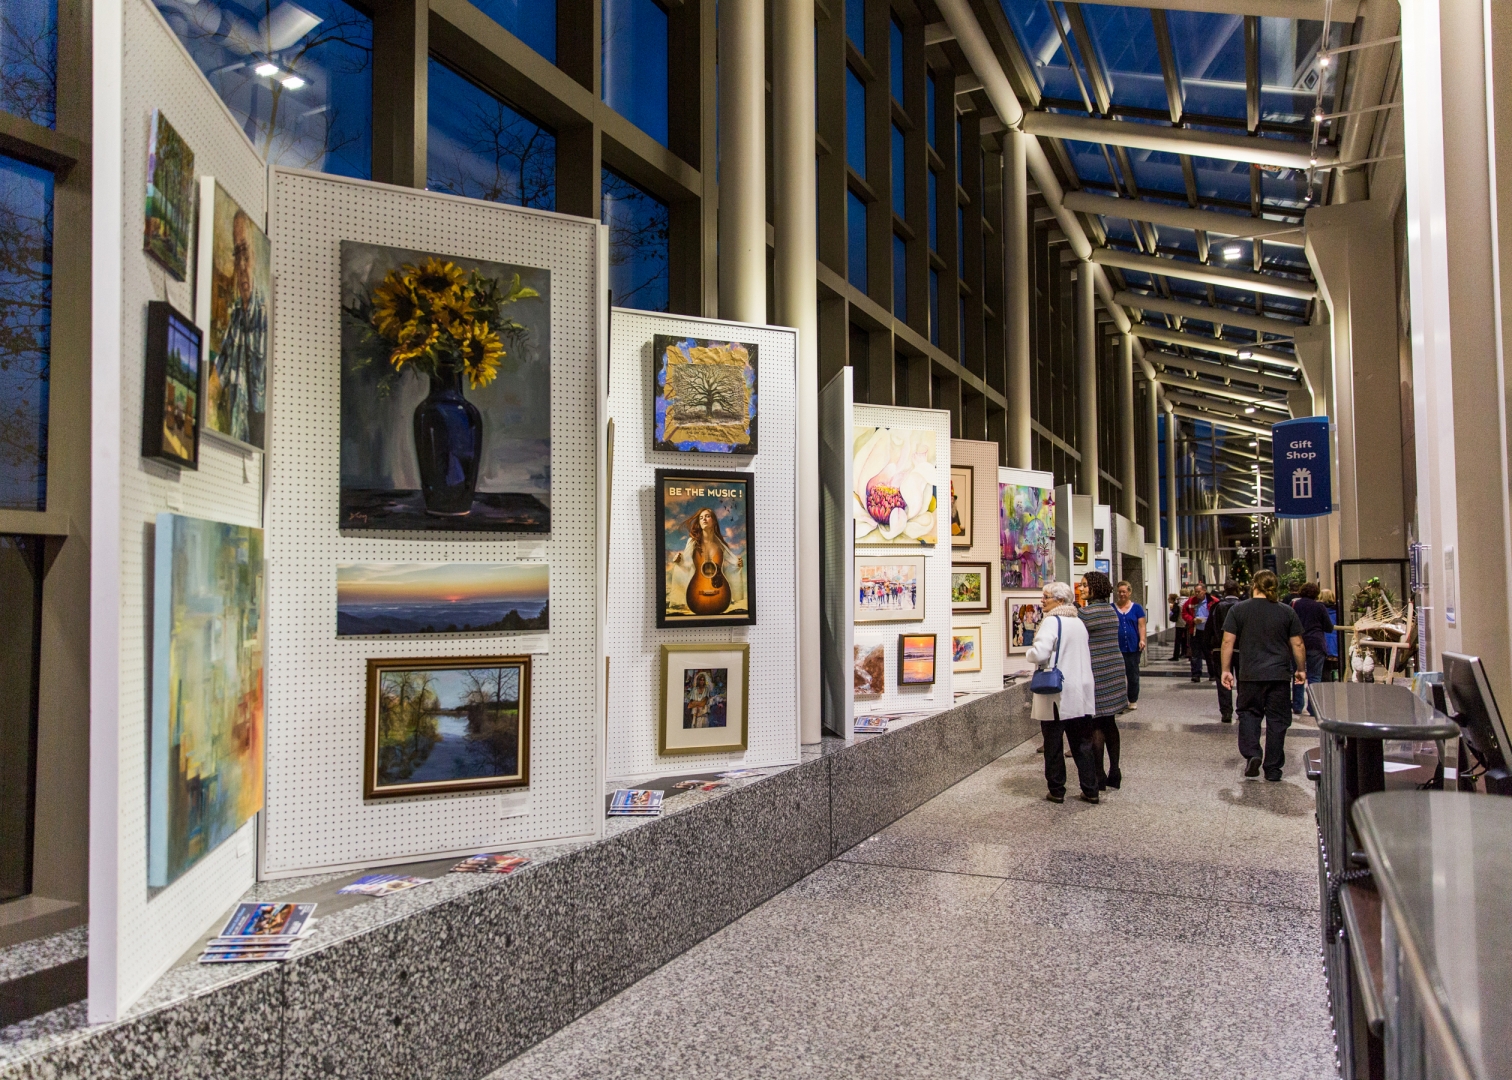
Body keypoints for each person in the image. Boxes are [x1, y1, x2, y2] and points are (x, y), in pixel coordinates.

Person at [1220, 570, 1307, 781]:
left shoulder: (1238, 610)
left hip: (1250, 674)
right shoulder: (1286, 612)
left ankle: (1253, 754)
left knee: (1249, 714)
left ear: (1254, 585)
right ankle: (1273, 768)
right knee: (1278, 721)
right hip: (1278, 675)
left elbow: (1227, 642)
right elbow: (1297, 643)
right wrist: (1301, 668)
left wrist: (1225, 670)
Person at [1027, 581, 1100, 804]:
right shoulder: (1078, 622)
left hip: (1057, 692)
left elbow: (1040, 654)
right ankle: (1091, 789)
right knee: (1082, 743)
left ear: (1059, 600)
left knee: (1053, 743)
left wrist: (1029, 653)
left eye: (1046, 596)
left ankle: (1057, 790)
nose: (1042, 600)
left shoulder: (1051, 622)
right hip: (1081, 690)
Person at [1080, 572, 1129, 791]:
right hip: (1115, 668)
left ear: (1094, 588)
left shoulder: (1085, 614)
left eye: (1084, 585)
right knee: (1110, 721)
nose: (1081, 589)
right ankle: (1115, 771)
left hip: (1097, 670)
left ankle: (1099, 775)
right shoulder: (1111, 610)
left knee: (1097, 724)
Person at [1290, 582, 1334, 716]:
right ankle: (1312, 707)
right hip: (1316, 643)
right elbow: (1329, 627)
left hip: (1298, 642)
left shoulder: (1294, 605)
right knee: (1315, 677)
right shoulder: (1319, 607)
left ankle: (1297, 706)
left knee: (1298, 673)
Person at [1206, 582, 1243, 723]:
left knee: (1222, 681)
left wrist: (1209, 646)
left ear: (1224, 591)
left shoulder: (1216, 607)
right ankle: (1241, 710)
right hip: (1240, 649)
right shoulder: (1243, 606)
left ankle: (1226, 712)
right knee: (1242, 681)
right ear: (1238, 590)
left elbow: (1209, 628)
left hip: (1219, 648)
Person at [1114, 580, 1146, 712]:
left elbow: (1141, 625)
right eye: (1120, 592)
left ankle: (1132, 699)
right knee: (1117, 675)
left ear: (1129, 592)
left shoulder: (1137, 608)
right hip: (1117, 647)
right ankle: (1119, 701)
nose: (1122, 594)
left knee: (1132, 675)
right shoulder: (1112, 607)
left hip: (1132, 647)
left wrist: (1142, 639)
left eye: (1124, 592)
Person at [1182, 583, 1211, 682]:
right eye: (1196, 592)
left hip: (1208, 632)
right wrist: (1192, 620)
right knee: (1195, 654)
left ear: (1204, 591)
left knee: (1209, 653)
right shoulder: (1190, 602)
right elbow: (1184, 613)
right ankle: (1196, 674)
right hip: (1195, 631)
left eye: (1199, 592)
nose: (1197, 594)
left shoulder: (1212, 601)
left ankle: (1212, 673)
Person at [1319, 589, 1341, 683]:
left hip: (1324, 647)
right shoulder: (1339, 612)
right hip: (1336, 646)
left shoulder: (1319, 611)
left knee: (1324, 673)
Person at [1168, 592, 1186, 661]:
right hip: (1187, 623)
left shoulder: (1177, 602)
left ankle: (1176, 656)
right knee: (1185, 640)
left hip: (1179, 623)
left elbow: (1174, 612)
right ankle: (1184, 653)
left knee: (1178, 640)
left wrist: (1172, 609)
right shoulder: (1188, 601)